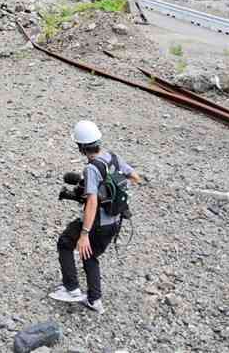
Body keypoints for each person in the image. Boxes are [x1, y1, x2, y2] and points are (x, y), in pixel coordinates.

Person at [48, 120, 142, 314]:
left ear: (81, 147)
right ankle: (94, 300)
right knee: (90, 256)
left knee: (66, 242)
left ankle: (71, 289)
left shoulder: (92, 169)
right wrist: (110, 191)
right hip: (115, 222)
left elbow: (91, 203)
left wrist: (84, 234)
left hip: (97, 224)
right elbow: (135, 177)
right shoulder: (112, 158)